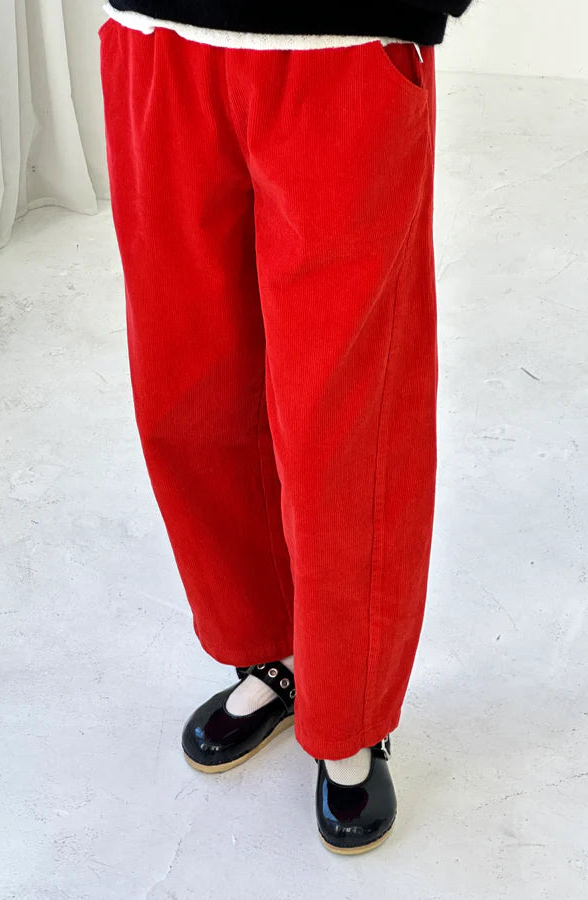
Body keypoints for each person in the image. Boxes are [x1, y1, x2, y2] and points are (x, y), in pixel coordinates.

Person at [98, 0, 475, 855]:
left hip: (337, 44)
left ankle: (351, 713)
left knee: (346, 421)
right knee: (188, 397)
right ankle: (275, 655)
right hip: (160, 41)